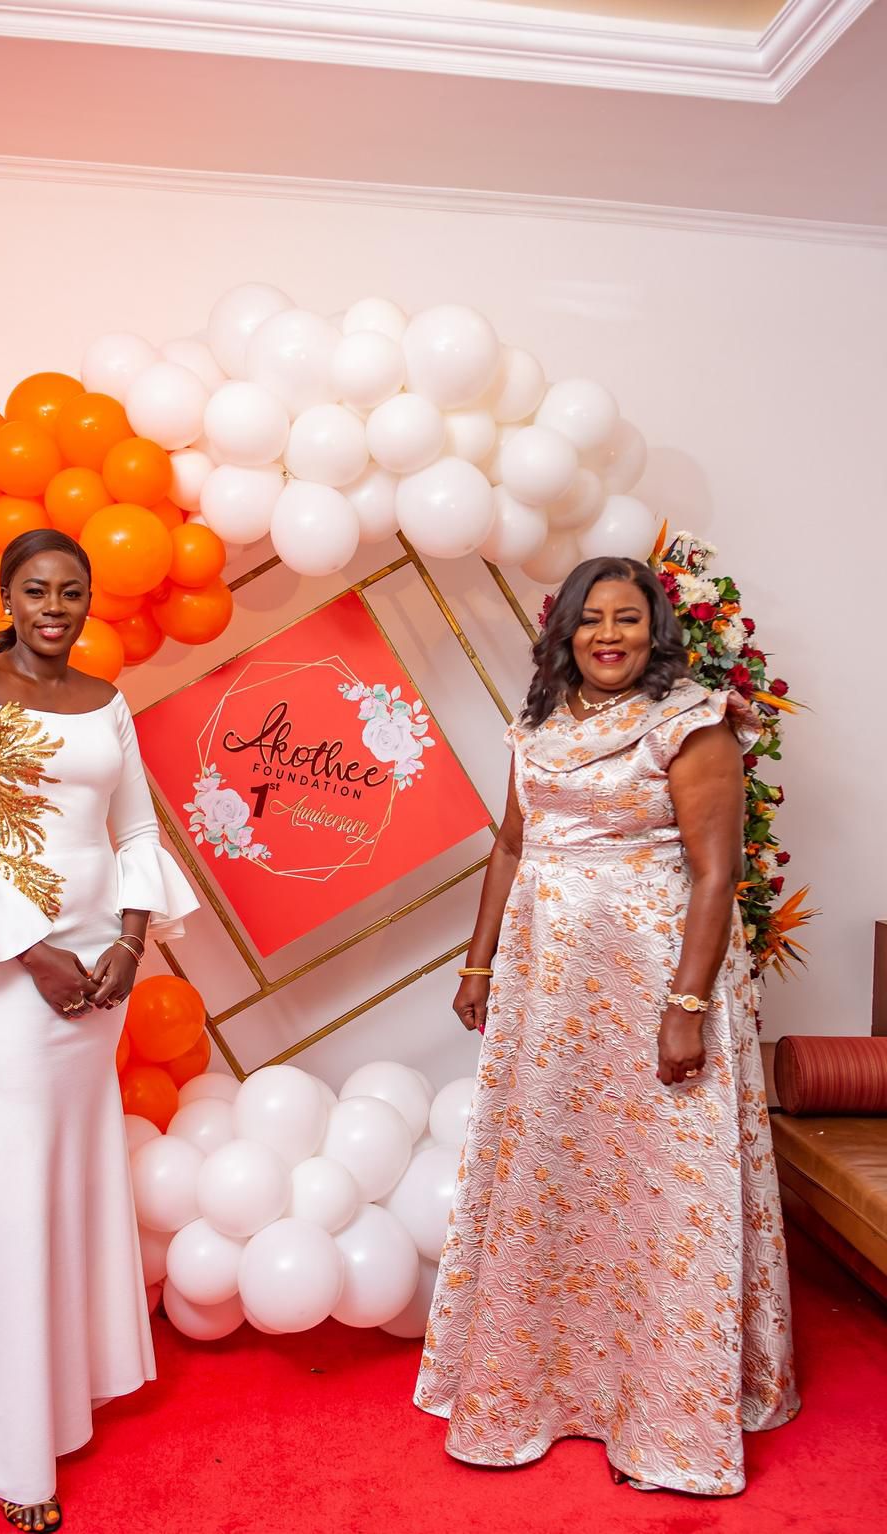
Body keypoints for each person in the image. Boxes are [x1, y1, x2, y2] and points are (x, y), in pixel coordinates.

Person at [414, 555, 798, 1496]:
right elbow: (514, 844)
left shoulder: (692, 722)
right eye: (592, 620)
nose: (610, 635)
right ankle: (551, 1383)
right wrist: (478, 960)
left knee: (660, 1179)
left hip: (653, 979)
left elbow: (716, 875)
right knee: (555, 1163)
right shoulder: (539, 724)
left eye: (629, 619)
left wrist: (686, 1006)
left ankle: (666, 1404)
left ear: (656, 631)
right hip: (551, 990)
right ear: (566, 634)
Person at [0, 529, 199, 1531]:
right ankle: (12, 1447)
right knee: (20, 1172)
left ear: (86, 601)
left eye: (71, 592)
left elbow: (138, 831)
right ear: (8, 596)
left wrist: (129, 942)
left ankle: (63, 1386)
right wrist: (38, 954)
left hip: (100, 966)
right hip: (10, 963)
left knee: (73, 1164)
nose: (55, 608)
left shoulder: (106, 702)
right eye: (37, 591)